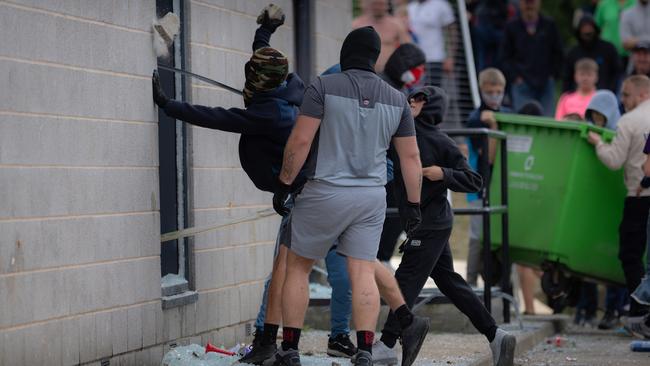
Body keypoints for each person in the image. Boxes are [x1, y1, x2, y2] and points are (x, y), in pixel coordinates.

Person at [269, 27, 429, 366]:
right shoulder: (397, 99)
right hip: (371, 198)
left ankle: (290, 349)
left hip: (323, 192)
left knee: (297, 267)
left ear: (345, 54)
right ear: (374, 59)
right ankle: (365, 352)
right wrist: (413, 206)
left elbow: (299, 141)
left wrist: (284, 184)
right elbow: (411, 158)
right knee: (362, 273)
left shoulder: (323, 87)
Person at [372, 85, 517, 366]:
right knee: (449, 282)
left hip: (433, 223)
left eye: (418, 99)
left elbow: (474, 180)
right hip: (424, 222)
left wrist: (444, 174)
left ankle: (387, 344)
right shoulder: (399, 133)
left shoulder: (441, 141)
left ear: (430, 105)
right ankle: (496, 335)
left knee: (406, 279)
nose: (410, 101)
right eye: (410, 97)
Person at [587, 75, 650, 337]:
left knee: (630, 255)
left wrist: (598, 143)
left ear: (641, 94)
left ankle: (639, 314)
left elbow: (614, 160)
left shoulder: (629, 121)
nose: (622, 100)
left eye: (625, 95)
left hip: (638, 195)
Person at [465, 68, 510, 287]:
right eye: (490, 92)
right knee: (477, 236)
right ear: (482, 91)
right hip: (480, 183)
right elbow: (488, 157)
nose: (495, 97)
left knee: (502, 237)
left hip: (503, 183)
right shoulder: (475, 119)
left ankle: (502, 285)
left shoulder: (508, 113)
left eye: (499, 92)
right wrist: (493, 126)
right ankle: (470, 283)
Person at [499, 0, 564, 116]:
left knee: (547, 124)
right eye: (526, 2)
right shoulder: (511, 27)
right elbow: (504, 57)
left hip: (546, 84)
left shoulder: (549, 25)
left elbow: (558, 53)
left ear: (539, 3)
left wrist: (552, 75)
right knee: (523, 123)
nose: (530, 5)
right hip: (521, 85)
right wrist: (515, 77)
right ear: (520, 3)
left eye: (532, 2)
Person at [562, 16, 621, 93]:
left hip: (604, 94)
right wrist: (569, 94)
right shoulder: (572, 53)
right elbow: (567, 78)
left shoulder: (608, 49)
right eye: (584, 28)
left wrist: (610, 91)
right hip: (578, 97)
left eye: (589, 28)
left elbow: (617, 72)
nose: (587, 31)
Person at [352, 0, 412, 73]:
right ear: (370, 5)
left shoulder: (396, 25)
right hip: (364, 72)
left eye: (381, 4)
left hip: (389, 73)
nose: (378, 7)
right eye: (375, 3)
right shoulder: (357, 24)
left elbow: (408, 49)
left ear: (387, 5)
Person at [407, 0, 457, 88]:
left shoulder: (441, 5)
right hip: (414, 61)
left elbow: (451, 33)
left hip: (435, 59)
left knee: (433, 94)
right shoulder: (410, 7)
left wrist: (450, 57)